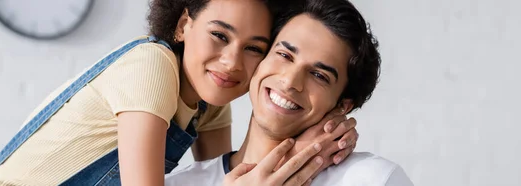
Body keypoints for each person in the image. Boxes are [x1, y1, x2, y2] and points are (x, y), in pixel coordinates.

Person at [0, 0, 359, 185]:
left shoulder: (210, 101)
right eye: (219, 35)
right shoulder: (152, 65)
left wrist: (318, 139)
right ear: (182, 25)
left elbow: (230, 173)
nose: (231, 63)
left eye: (254, 48)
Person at [164, 0, 414, 185]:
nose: (290, 81)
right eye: (284, 55)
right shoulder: (178, 183)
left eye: (319, 75)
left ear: (343, 106)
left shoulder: (373, 180)